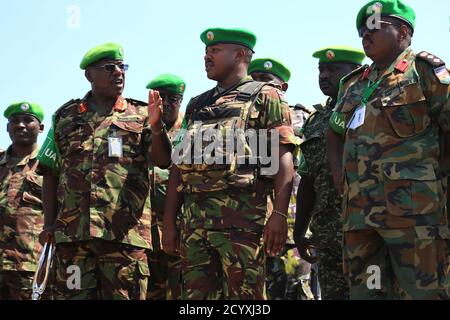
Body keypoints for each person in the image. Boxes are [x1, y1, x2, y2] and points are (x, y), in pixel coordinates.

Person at [162, 27, 297, 299]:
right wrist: (169, 222)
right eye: (205, 52)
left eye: (214, 51)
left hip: (243, 225)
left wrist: (280, 215)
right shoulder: (197, 104)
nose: (206, 57)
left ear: (240, 55)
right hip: (195, 226)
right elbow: (178, 165)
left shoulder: (265, 96)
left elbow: (283, 156)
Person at [328, 0, 450, 299]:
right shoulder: (354, 84)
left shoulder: (424, 72)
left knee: (424, 292)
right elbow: (335, 131)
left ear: (404, 32)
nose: (365, 36)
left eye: (374, 27)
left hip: (415, 215)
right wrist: (339, 177)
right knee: (369, 292)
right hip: (359, 217)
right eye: (361, 31)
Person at [37, 42, 172, 300]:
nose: (118, 73)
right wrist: (49, 225)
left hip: (124, 238)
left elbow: (164, 160)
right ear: (89, 75)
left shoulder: (141, 114)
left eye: (122, 67)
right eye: (109, 68)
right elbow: (50, 172)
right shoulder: (64, 117)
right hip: (73, 240)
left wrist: (156, 128)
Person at [294, 46, 365, 300]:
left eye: (334, 70)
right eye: (321, 70)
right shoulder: (316, 120)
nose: (324, 75)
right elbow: (307, 179)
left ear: (356, 72)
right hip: (327, 233)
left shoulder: (371, 112)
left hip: (365, 229)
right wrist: (299, 231)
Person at [249, 58, 312, 300]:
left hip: (292, 229)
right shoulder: (241, 119)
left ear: (283, 88)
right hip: (251, 227)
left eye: (266, 82)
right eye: (253, 81)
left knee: (296, 290)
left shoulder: (302, 119)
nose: (259, 88)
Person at [146, 74, 185, 300]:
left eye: (174, 99)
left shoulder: (191, 132)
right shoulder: (139, 131)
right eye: (162, 98)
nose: (168, 104)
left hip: (180, 231)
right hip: (143, 233)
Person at [0, 102, 45, 300]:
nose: (21, 125)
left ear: (41, 128)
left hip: (29, 264)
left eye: (28, 120)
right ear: (7, 128)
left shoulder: (50, 164)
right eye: (15, 121)